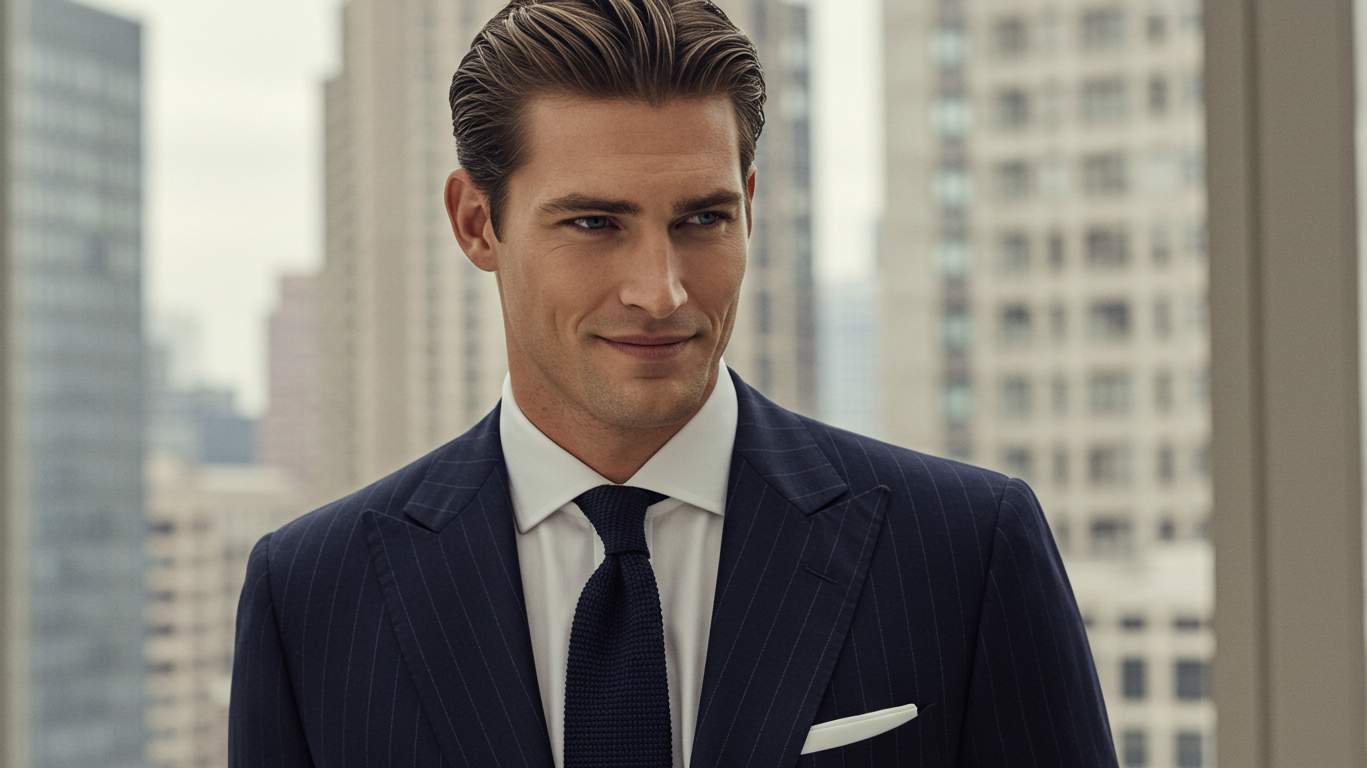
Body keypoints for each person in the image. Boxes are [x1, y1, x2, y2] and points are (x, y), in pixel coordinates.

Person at [228, 0, 1118, 765]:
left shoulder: (966, 549)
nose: (661, 290)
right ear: (476, 224)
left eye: (701, 218)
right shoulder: (310, 594)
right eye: (593, 222)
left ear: (750, 206)